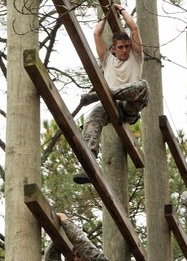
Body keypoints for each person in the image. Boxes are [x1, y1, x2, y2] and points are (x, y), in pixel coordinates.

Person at [73, 3, 149, 184]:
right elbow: (96, 34)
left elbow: (134, 27)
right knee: (91, 118)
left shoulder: (136, 57)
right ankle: (89, 165)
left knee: (143, 85)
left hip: (130, 104)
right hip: (110, 104)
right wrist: (106, 15)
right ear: (113, 49)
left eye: (127, 47)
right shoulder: (107, 60)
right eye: (121, 47)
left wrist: (121, 9)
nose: (124, 50)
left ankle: (99, 95)